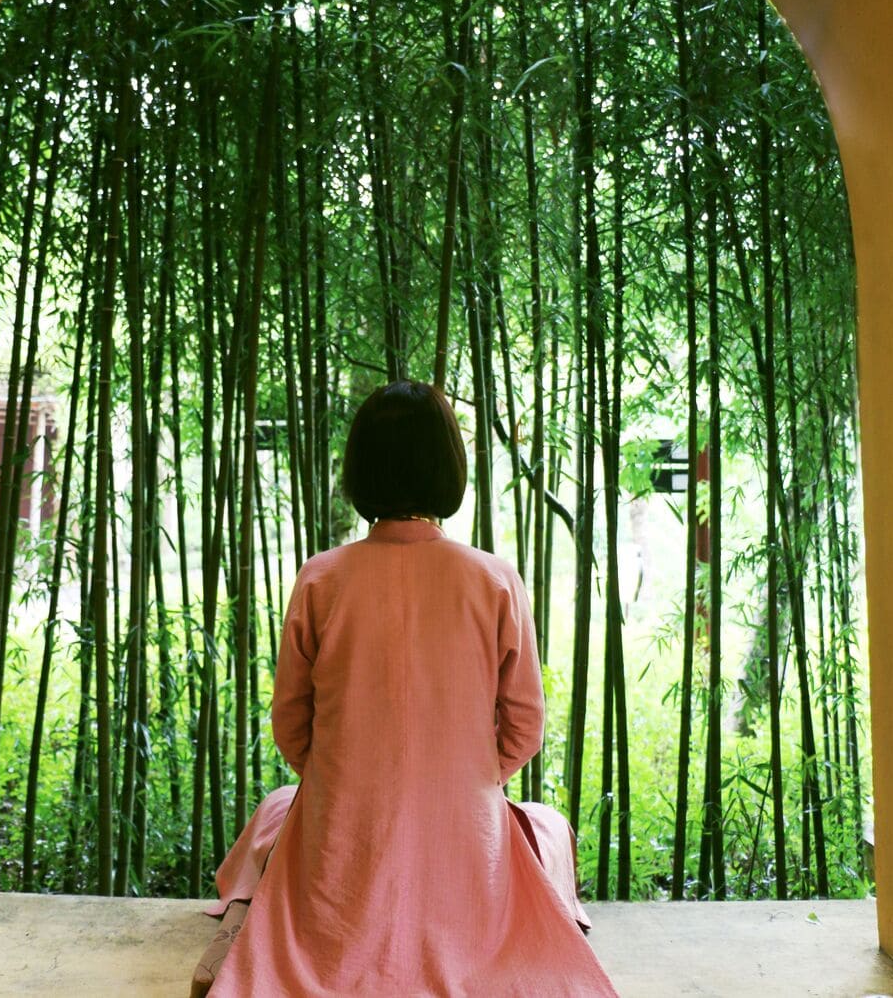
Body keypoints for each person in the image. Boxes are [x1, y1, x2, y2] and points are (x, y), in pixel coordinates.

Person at [191, 380, 620, 997]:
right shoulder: (495, 580)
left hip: (344, 843)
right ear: (449, 467)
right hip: (464, 842)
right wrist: (463, 780)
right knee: (547, 827)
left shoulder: (320, 579)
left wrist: (347, 783)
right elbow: (525, 727)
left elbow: (291, 724)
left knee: (279, 811)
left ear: (359, 470)